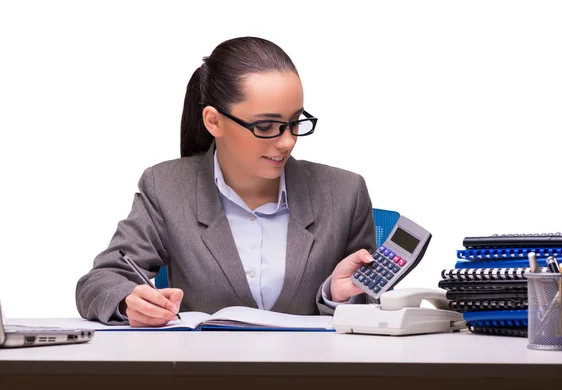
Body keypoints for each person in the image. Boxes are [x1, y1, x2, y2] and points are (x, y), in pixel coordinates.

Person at [75, 36, 376, 327]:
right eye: (265, 126)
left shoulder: (346, 194)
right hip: (205, 374)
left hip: (311, 373)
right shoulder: (166, 187)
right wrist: (128, 300)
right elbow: (101, 280)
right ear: (214, 121)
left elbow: (373, 308)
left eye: (295, 122)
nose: (287, 142)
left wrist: (336, 298)